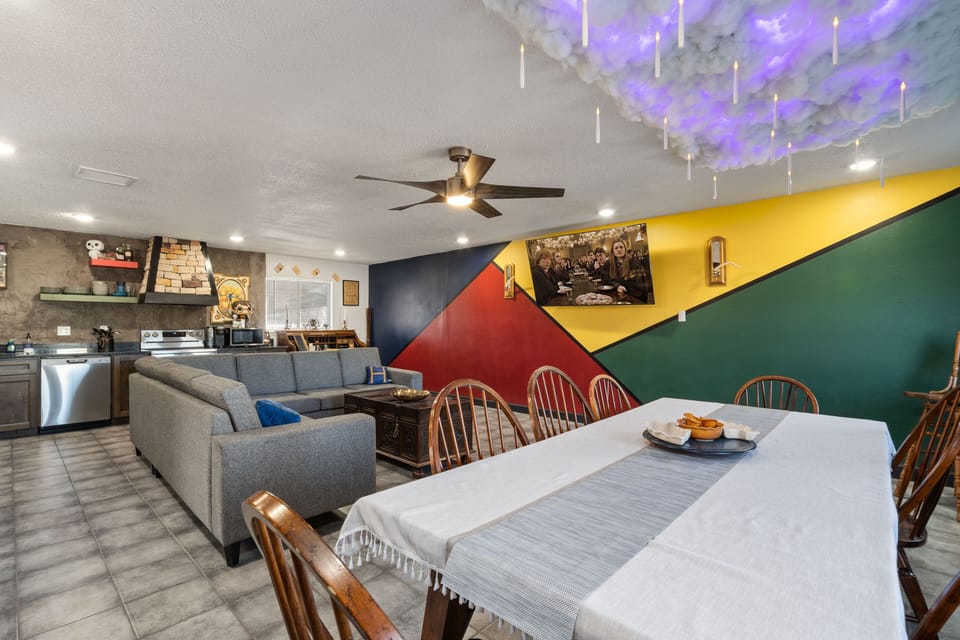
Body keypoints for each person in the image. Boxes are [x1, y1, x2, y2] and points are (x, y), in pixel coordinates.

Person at [606, 238, 654, 303]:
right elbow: (610, 279)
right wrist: (618, 286)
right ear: (613, 251)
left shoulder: (634, 263)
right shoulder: (612, 264)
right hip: (623, 297)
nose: (619, 249)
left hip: (636, 298)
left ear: (625, 249)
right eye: (616, 248)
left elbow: (638, 285)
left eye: (621, 247)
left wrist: (622, 286)